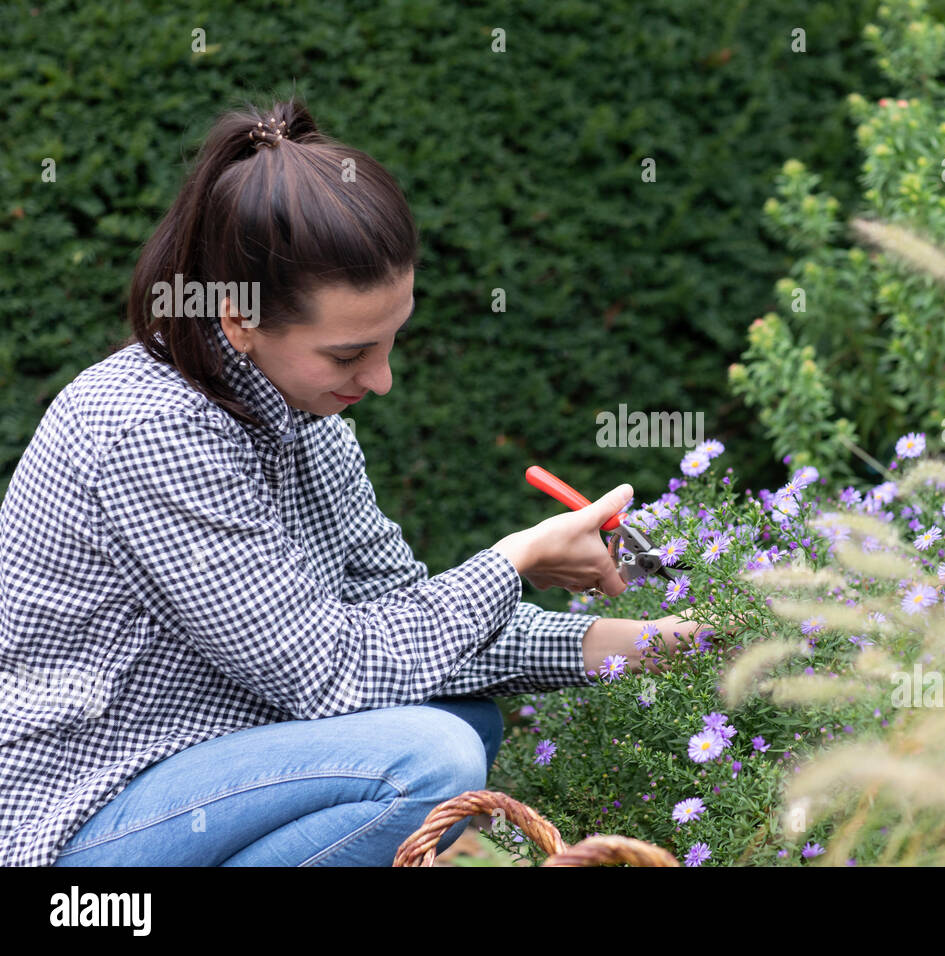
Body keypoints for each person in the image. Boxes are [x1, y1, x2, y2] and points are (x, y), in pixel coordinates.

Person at [0, 98, 704, 867]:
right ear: (237, 319)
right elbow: (333, 672)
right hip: (81, 810)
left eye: (393, 338)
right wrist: (517, 560)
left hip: (202, 764)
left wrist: (660, 647)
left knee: (462, 715)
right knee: (432, 757)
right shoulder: (150, 430)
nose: (383, 379)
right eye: (348, 355)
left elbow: (407, 629)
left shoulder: (306, 422)